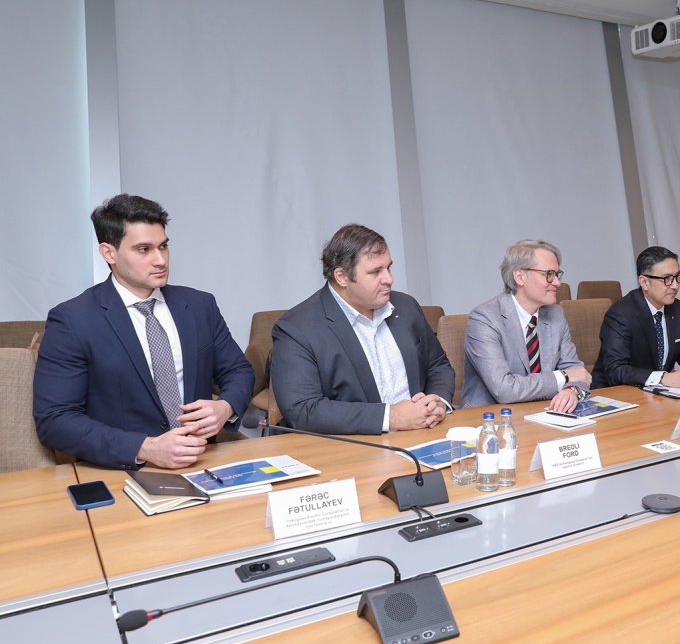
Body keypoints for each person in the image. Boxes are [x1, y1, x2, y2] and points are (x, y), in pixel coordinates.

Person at [33, 195, 254, 470]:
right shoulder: (72, 320)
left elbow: (238, 371)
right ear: (109, 253)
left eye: (163, 246)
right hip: (123, 469)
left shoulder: (200, 306)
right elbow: (55, 420)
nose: (160, 260)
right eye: (144, 250)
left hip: (203, 461)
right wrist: (145, 448)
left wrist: (225, 407)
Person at [270, 224, 454, 435]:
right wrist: (392, 417)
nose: (389, 279)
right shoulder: (297, 329)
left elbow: (438, 365)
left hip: (422, 434)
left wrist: (437, 402)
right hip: (352, 446)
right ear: (342, 277)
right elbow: (303, 410)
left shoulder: (406, 306)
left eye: (388, 267)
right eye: (376, 271)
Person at [462, 240, 591, 411]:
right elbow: (504, 389)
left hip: (545, 412)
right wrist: (563, 376)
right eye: (549, 274)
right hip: (491, 417)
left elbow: (578, 373)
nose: (557, 283)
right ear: (519, 276)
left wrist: (571, 391)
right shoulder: (484, 319)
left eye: (557, 274)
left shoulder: (555, 314)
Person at [592, 246, 680, 389]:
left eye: (677, 277)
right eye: (667, 279)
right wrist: (663, 378)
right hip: (615, 393)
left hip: (657, 393)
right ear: (644, 282)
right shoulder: (621, 314)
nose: (675, 285)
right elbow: (615, 370)